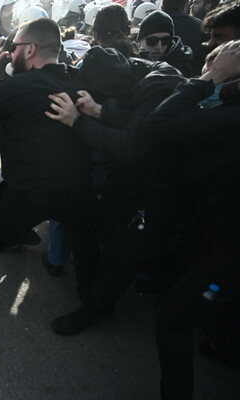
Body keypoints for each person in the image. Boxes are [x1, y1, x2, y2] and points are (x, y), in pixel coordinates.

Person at [0, 19, 99, 323]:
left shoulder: (14, 87)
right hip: (76, 188)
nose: (11, 55)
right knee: (85, 242)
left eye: (14, 49)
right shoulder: (80, 81)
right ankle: (93, 305)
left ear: (29, 49)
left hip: (27, 193)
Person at [45, 46, 188, 335]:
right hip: (130, 176)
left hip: (161, 184)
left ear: (117, 92)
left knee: (125, 250)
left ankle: (95, 309)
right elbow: (134, 121)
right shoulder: (125, 72)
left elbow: (133, 144)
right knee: (108, 227)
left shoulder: (160, 86)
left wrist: (81, 120)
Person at [142, 39, 240, 400]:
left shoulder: (229, 117)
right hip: (215, 231)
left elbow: (158, 122)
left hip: (230, 248)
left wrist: (206, 80)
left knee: (173, 319)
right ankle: (225, 346)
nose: (203, 75)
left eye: (212, 71)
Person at [137, 10, 195, 76]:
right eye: (152, 41)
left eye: (165, 40)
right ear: (139, 41)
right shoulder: (128, 63)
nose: (159, 47)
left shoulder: (182, 66)